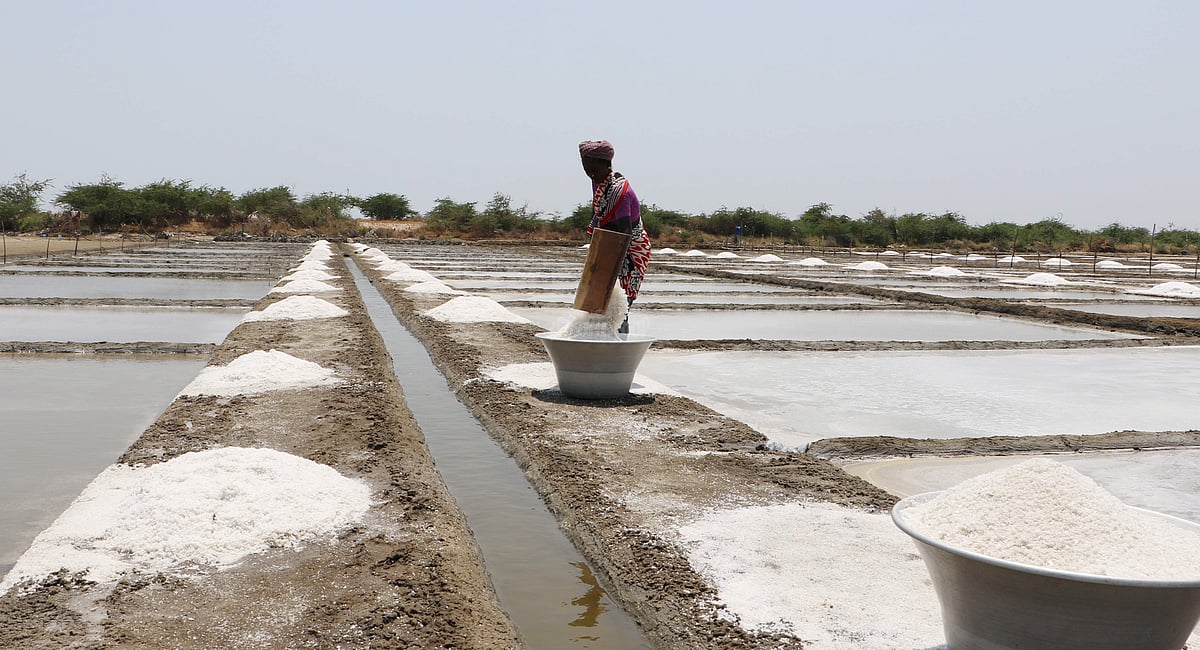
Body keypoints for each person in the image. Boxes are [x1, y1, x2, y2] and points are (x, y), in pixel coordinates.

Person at [579, 140, 652, 334]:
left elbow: (624, 233)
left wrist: (608, 269)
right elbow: (600, 212)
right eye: (586, 170)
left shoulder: (621, 192)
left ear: (606, 164)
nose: (590, 174)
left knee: (620, 311)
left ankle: (618, 349)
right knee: (597, 305)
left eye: (592, 169)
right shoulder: (599, 182)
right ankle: (597, 344)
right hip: (609, 246)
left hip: (630, 252)